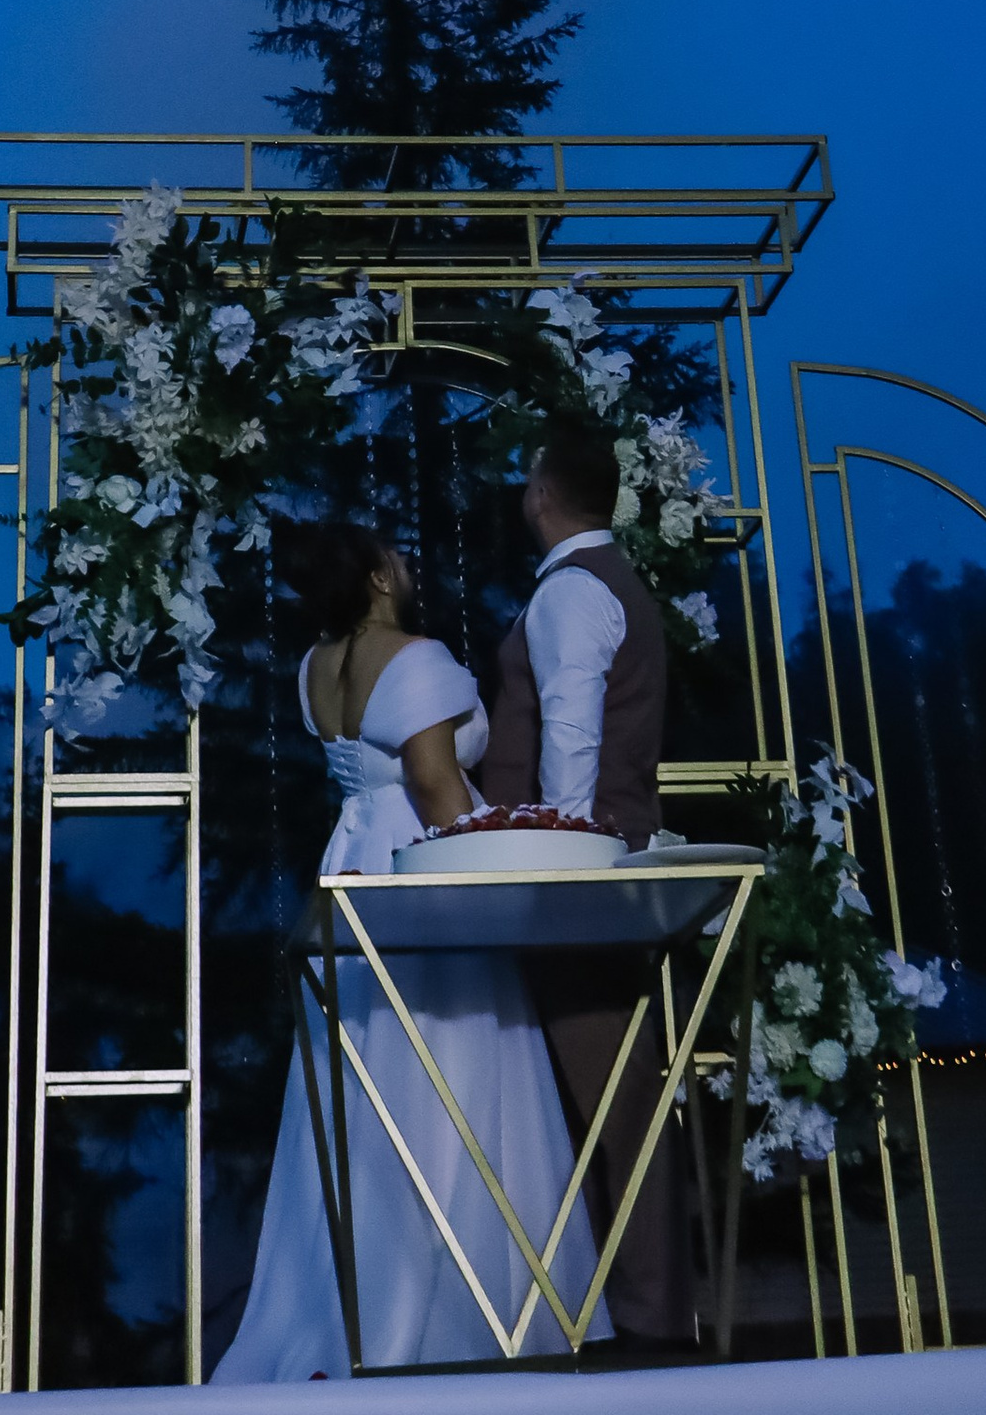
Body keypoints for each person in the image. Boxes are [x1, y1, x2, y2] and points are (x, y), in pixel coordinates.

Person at [211, 525, 606, 1381]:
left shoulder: (317, 665)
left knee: (367, 1085)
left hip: (349, 859)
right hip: (419, 862)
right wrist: (490, 857)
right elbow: (433, 777)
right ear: (380, 577)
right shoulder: (414, 656)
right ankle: (454, 1313)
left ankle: (350, 1304)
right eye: (401, 556)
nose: (413, 565)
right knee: (450, 1067)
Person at [478, 418, 697, 1358]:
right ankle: (630, 1306)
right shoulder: (607, 581)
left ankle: (647, 1318)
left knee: (614, 1094)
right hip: (597, 866)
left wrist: (557, 849)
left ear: (542, 494)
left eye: (528, 480)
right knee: (609, 1090)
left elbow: (571, 726)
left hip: (577, 876)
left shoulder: (574, 589)